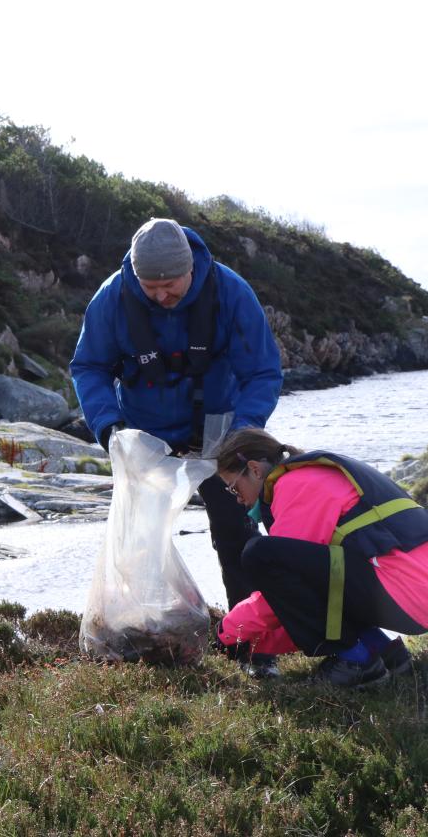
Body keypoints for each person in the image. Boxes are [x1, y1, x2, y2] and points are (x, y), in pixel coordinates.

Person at [70, 217, 284, 676]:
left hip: (221, 435)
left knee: (238, 536)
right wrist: (110, 430)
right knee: (140, 542)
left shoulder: (230, 293)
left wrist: (245, 434)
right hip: (146, 438)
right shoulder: (112, 298)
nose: (163, 295)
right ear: (135, 275)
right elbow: (88, 367)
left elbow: (262, 372)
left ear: (192, 271)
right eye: (152, 287)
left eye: (171, 286)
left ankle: (252, 647)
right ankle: (143, 644)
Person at [211, 428, 428, 688]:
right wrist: (256, 639)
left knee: (260, 554)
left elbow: (282, 595)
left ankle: (357, 663)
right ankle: (386, 653)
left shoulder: (296, 486)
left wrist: (229, 632)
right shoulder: (316, 473)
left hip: (404, 593)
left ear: (255, 469)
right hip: (421, 592)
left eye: (234, 489)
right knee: (323, 574)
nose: (238, 500)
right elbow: (307, 598)